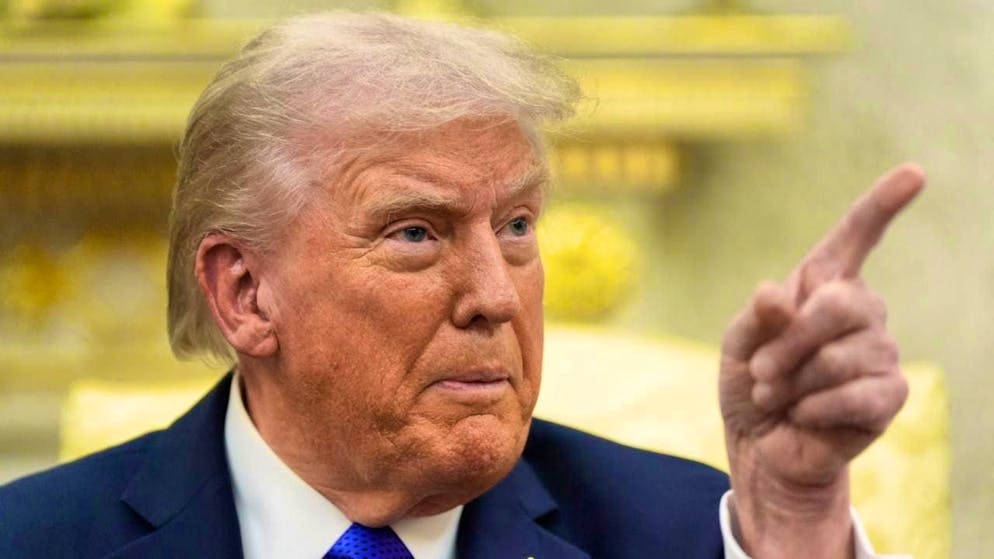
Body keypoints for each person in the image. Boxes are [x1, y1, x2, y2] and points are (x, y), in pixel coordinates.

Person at [0, 11, 923, 559]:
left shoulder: (692, 534)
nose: (495, 292)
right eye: (415, 232)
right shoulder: (34, 541)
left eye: (517, 227)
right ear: (245, 293)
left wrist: (797, 519)